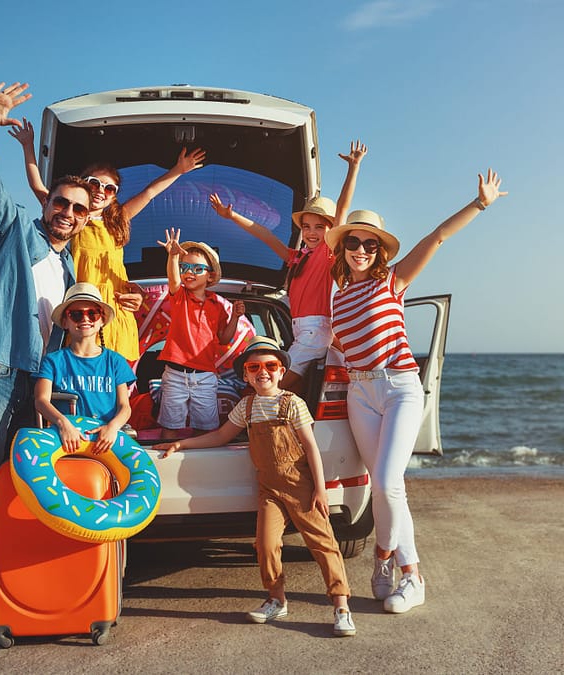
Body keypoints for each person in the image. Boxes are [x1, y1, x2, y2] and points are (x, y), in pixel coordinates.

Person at [0, 82, 94, 655]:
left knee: (18, 488)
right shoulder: (12, 228)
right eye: (62, 203)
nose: (69, 213)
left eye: (79, 209)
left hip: (37, 381)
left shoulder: (69, 259)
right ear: (47, 201)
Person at [326, 168, 508, 614]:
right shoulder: (337, 298)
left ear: (381, 251)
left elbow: (437, 237)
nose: (362, 250)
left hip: (401, 388)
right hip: (359, 395)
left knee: (388, 484)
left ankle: (402, 568)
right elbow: (337, 349)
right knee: (387, 487)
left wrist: (480, 203)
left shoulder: (393, 282)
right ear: (343, 247)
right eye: (354, 242)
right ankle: (394, 568)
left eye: (371, 244)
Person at [154, 336, 356, 637]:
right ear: (246, 375)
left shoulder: (292, 403)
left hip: (301, 486)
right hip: (269, 490)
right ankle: (276, 599)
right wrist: (181, 443)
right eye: (254, 367)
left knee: (322, 543)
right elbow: (220, 437)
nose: (263, 372)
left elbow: (311, 448)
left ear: (281, 371)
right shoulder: (246, 407)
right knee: (265, 545)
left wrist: (320, 489)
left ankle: (341, 607)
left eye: (271, 366)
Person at [10, 118, 206, 362]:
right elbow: (38, 186)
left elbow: (150, 192)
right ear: (83, 185)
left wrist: (179, 170)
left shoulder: (117, 220)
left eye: (110, 188)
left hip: (117, 310)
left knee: (117, 383)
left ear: (114, 196)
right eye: (95, 184)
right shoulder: (72, 220)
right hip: (82, 312)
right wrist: (27, 146)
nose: (101, 191)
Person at [208, 141, 368, 392]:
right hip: (303, 332)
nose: (312, 233)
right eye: (306, 227)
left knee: (263, 388)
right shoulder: (298, 257)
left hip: (314, 333)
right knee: (279, 389)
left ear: (330, 229)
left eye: (319, 227)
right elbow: (266, 236)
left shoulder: (328, 251)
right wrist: (231, 216)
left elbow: (343, 209)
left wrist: (354, 168)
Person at [156, 228, 242, 438]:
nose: (189, 272)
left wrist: (236, 318)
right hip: (175, 374)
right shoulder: (180, 296)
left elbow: (224, 339)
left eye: (197, 268)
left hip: (205, 376)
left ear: (210, 275)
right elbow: (173, 278)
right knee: (170, 426)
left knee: (205, 428)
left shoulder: (218, 305)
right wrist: (173, 256)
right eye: (185, 267)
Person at [34, 283, 136, 452]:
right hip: (65, 440)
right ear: (65, 322)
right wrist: (63, 424)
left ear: (102, 320)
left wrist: (112, 428)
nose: (85, 319)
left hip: (105, 439)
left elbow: (124, 406)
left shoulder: (115, 361)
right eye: (76, 315)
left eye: (92, 314)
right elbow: (41, 400)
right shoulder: (52, 361)